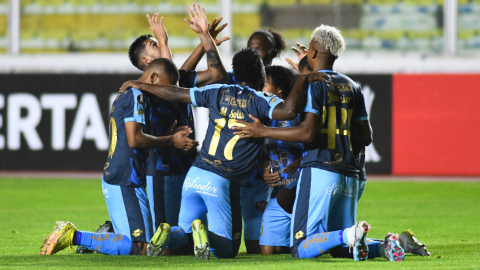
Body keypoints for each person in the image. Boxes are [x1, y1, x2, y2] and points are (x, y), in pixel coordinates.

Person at [118, 31, 330, 259]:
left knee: (184, 236)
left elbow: (175, 93)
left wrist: (140, 85)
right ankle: (206, 235)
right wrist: (304, 78)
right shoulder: (261, 100)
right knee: (227, 249)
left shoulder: (216, 91)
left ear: (236, 74)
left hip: (195, 176)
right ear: (261, 73)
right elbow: (289, 110)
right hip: (223, 183)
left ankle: (169, 233)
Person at [232, 24, 383, 260]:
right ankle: (386, 246)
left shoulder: (313, 84)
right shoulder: (353, 87)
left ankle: (349, 235)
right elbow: (366, 138)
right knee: (340, 250)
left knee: (301, 247)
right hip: (349, 173)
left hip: (321, 170)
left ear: (312, 52)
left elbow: (307, 134)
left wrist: (263, 131)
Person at [39, 59, 198, 256]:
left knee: (146, 246)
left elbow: (130, 136)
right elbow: (134, 139)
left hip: (127, 176)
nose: (168, 92)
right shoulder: (137, 96)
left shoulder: (132, 95)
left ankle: (106, 235)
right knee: (141, 247)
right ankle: (75, 236)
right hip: (125, 177)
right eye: (167, 85)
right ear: (154, 77)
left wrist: (166, 133)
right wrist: (170, 140)